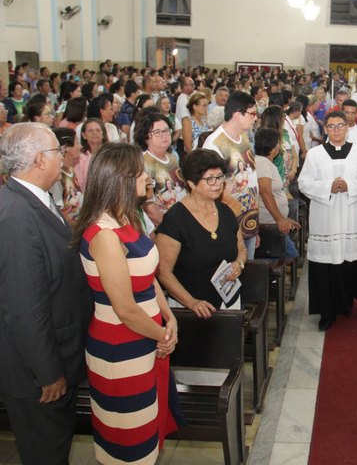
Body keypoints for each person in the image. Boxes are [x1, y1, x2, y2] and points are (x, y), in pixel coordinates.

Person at [72, 143, 180, 463]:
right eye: (140, 172)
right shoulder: (105, 234)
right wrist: (161, 335)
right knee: (128, 441)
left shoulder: (126, 218)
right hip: (121, 346)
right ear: (121, 179)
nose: (146, 176)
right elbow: (125, 309)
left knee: (146, 429)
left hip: (145, 337)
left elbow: (148, 277)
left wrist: (167, 317)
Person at [0, 123, 92, 463]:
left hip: (57, 354)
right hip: (36, 374)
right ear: (40, 159)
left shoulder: (37, 200)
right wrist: (47, 372)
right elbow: (25, 307)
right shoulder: (16, 217)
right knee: (46, 452)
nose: (65, 155)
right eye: (57, 150)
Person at [298, 111, 357, 330]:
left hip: (352, 216)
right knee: (326, 262)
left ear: (347, 128)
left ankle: (347, 302)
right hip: (326, 217)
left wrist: (349, 186)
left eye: (340, 125)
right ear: (325, 130)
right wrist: (327, 187)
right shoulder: (315, 154)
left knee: (349, 260)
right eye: (331, 126)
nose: (336, 130)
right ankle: (326, 311)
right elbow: (304, 183)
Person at [156, 149, 248, 315]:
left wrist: (239, 265)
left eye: (220, 177)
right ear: (192, 184)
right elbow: (163, 272)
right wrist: (192, 302)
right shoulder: (175, 220)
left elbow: (241, 249)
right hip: (191, 309)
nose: (218, 183)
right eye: (210, 179)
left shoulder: (226, 212)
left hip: (229, 300)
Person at [202, 91, 260, 258]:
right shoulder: (214, 144)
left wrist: (255, 226)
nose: (255, 118)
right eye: (252, 114)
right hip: (228, 224)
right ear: (237, 114)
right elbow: (209, 190)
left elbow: (252, 179)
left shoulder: (243, 137)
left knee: (247, 276)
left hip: (249, 221)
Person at [253, 128, 301, 258]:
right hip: (270, 223)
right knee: (287, 255)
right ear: (273, 146)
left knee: (289, 255)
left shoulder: (267, 162)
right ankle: (271, 278)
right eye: (278, 142)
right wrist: (280, 219)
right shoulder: (262, 162)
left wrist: (284, 218)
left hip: (275, 221)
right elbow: (265, 191)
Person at [137, 111, 186, 226]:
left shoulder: (172, 158)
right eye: (157, 132)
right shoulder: (143, 163)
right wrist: (173, 229)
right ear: (146, 137)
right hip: (162, 226)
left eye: (166, 130)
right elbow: (149, 210)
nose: (164, 135)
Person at [73, 117, 108, 191]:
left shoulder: (111, 155)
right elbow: (78, 184)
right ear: (84, 135)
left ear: (103, 134)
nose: (95, 133)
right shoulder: (79, 158)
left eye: (98, 130)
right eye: (90, 130)